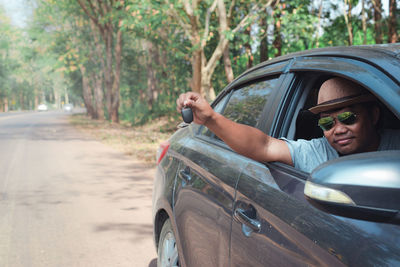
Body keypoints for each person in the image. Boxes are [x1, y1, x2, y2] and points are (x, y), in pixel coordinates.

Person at [176, 77, 400, 173]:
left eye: (349, 118)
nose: (338, 129)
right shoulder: (318, 151)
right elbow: (263, 145)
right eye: (326, 122)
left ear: (374, 115)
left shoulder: (396, 147)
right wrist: (211, 119)